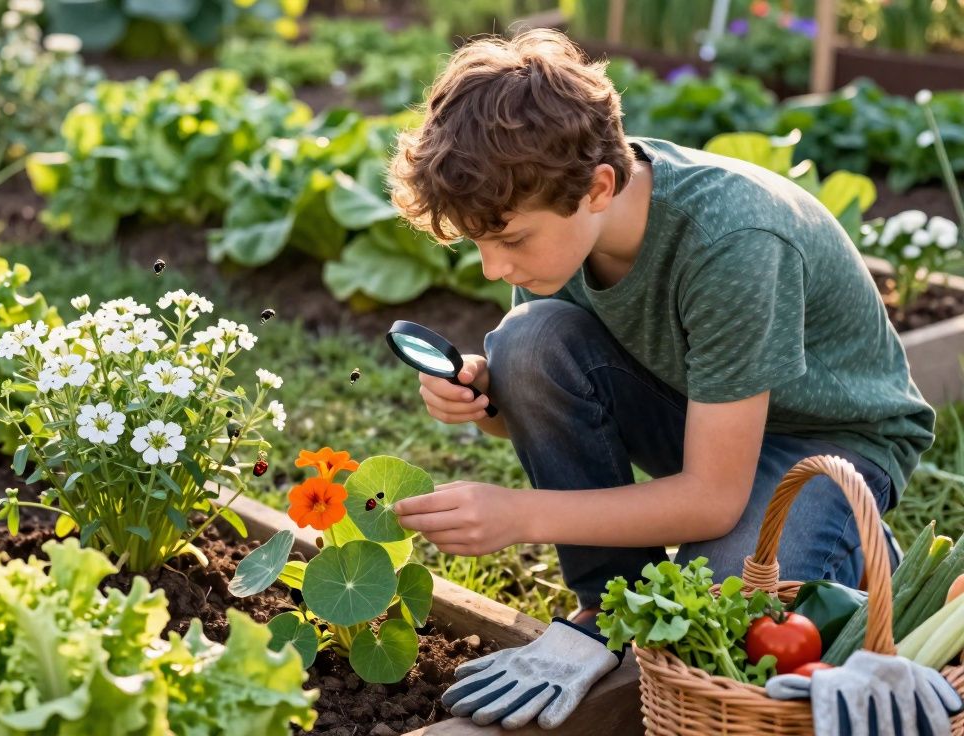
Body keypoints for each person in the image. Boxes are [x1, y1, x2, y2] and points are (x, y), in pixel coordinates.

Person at [387, 28, 934, 729]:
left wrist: (519, 515)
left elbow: (710, 497)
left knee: (709, 622)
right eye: (480, 245)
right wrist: (482, 398)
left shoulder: (733, 243)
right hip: (705, 416)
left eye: (511, 240)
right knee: (524, 341)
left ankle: (846, 538)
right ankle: (605, 605)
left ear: (599, 187)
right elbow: (545, 383)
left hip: (826, 442)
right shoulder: (559, 222)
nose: (494, 269)